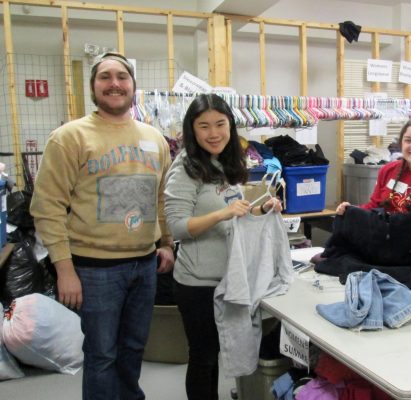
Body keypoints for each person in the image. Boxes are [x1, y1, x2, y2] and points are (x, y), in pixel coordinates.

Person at [30, 52, 175, 400]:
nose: (114, 83)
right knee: (101, 356)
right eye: (105, 77)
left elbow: (160, 198)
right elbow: (47, 206)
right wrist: (64, 269)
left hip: (144, 264)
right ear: (93, 88)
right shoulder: (69, 137)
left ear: (133, 86)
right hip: (94, 270)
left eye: (122, 77)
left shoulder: (154, 138)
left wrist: (166, 242)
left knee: (132, 349)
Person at [164, 93, 281, 400]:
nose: (213, 133)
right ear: (192, 129)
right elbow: (177, 227)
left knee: (219, 352)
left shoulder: (221, 164)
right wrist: (222, 213)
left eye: (220, 124)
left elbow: (235, 213)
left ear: (231, 125)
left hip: (228, 278)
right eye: (204, 126)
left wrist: (262, 208)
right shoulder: (185, 168)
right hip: (197, 283)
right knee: (203, 357)